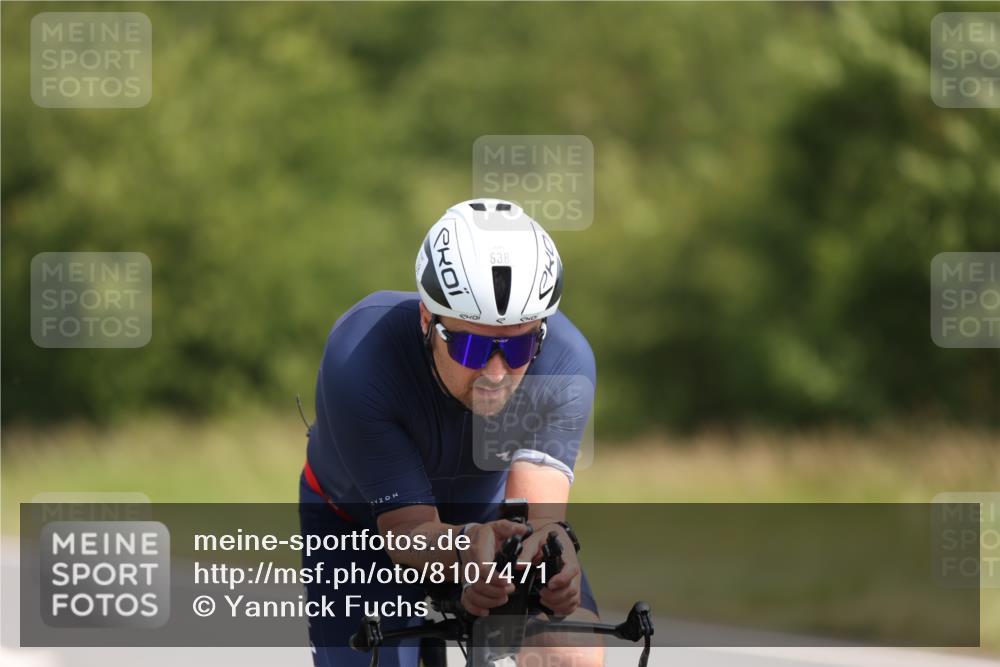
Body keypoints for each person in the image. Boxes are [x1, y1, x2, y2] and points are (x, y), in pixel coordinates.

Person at [300, 199, 600, 666]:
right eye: (472, 345)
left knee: (567, 652)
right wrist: (463, 551)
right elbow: (405, 529)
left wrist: (550, 557)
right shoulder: (361, 355)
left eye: (519, 346)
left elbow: (536, 521)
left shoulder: (565, 360)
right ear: (427, 319)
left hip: (489, 519)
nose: (496, 373)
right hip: (358, 523)